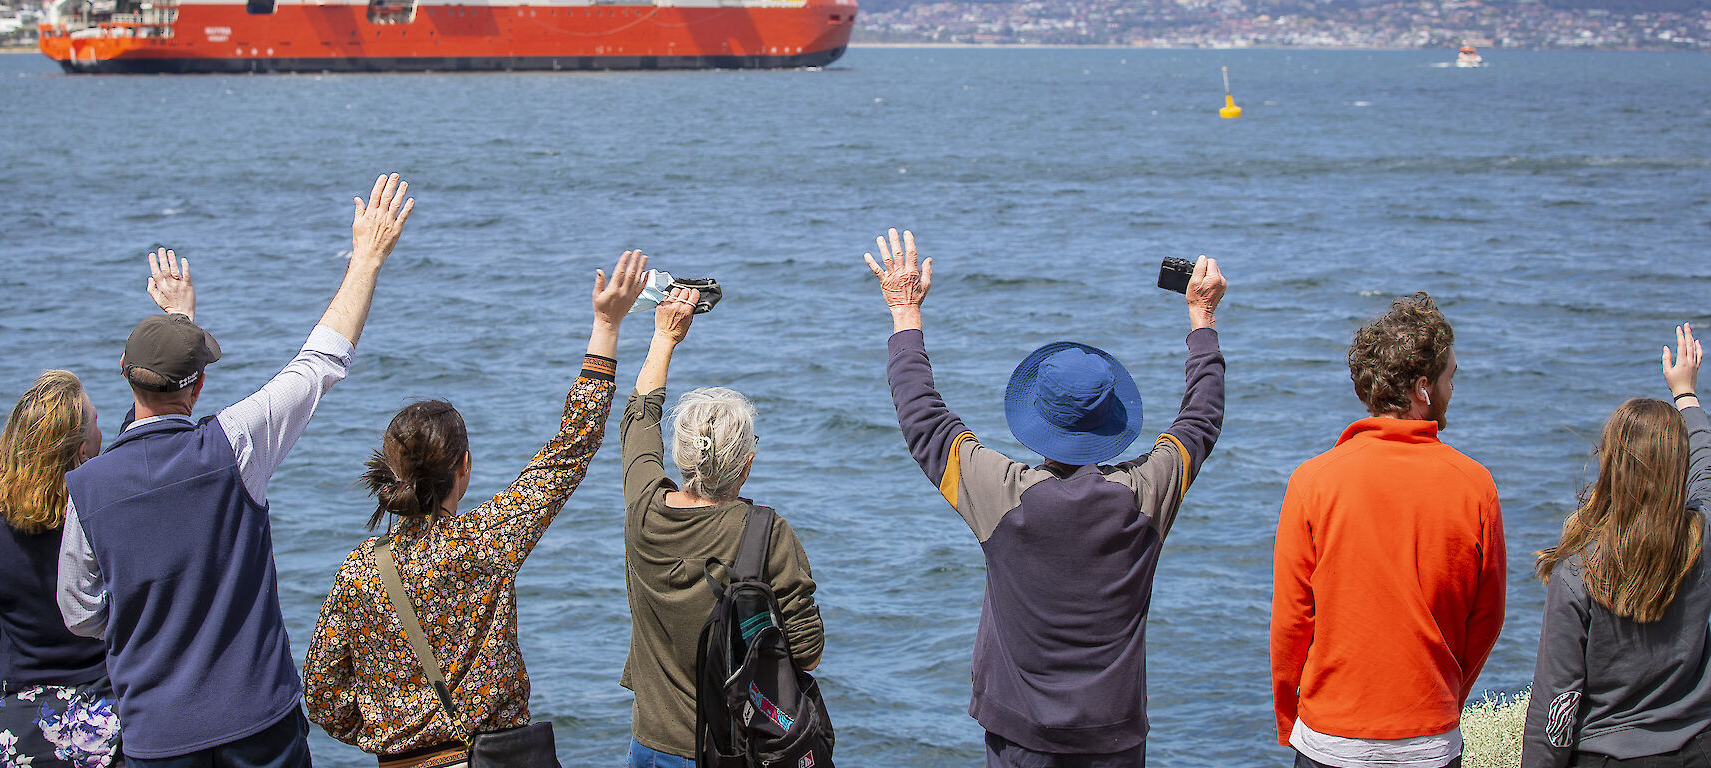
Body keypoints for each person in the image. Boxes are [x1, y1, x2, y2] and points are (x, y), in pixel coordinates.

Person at [57, 174, 416, 767]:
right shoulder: (234, 447)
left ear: (125, 373)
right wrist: (367, 258)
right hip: (258, 724)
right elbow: (320, 360)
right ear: (198, 384)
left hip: (158, 735)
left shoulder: (88, 489)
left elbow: (83, 614)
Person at [867, 229, 1227, 768]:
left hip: (1019, 734)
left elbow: (924, 419)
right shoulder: (1145, 495)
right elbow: (1200, 420)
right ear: (1113, 420)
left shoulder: (1003, 497)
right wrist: (1202, 319)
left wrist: (905, 311)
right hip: (1114, 735)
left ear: (1035, 417)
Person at [301, 250, 653, 768]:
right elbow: (571, 448)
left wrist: (390, 732)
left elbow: (323, 697)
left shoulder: (359, 574)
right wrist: (606, 324)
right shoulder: (488, 540)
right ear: (463, 467)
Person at [1270, 292, 1506, 768]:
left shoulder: (1313, 481)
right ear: (1423, 388)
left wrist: (1289, 718)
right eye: (1449, 377)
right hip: (1428, 737)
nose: (1452, 389)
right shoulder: (1475, 486)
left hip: (1331, 735)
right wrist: (1447, 694)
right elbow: (1487, 618)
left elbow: (1292, 621)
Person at [618, 283, 825, 768]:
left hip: (647, 745)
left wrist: (664, 338)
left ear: (680, 455)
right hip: (727, 749)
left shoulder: (644, 510)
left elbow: (637, 423)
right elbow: (808, 654)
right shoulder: (767, 534)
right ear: (747, 465)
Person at [1522, 324, 1711, 768]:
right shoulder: (1700, 539)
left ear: (1610, 466)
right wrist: (1685, 395)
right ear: (1677, 469)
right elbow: (1706, 463)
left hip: (1607, 756)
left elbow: (1557, 699)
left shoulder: (1579, 571)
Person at [0, 369, 119, 768]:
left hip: (19, 724)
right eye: (96, 423)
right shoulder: (101, 521)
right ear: (82, 450)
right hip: (105, 718)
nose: (102, 429)